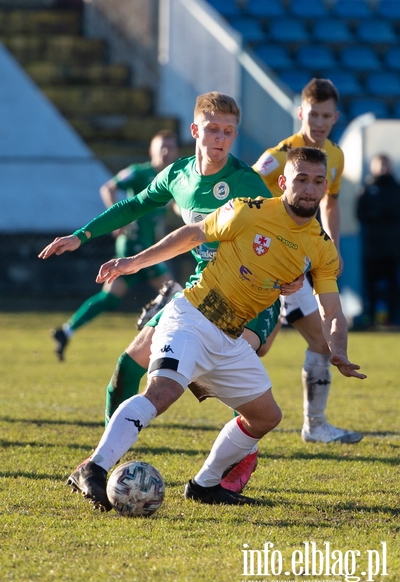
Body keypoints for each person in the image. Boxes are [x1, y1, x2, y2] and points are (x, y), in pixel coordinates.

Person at [63, 147, 366, 511]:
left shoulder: (321, 248)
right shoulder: (248, 210)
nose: (309, 189)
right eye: (301, 179)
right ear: (283, 182)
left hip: (230, 338)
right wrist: (133, 263)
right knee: (162, 391)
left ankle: (204, 485)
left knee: (266, 416)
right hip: (192, 316)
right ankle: (92, 467)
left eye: (318, 182)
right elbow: (191, 235)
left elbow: (331, 309)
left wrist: (339, 348)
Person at [39, 92, 284, 440]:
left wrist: (290, 276)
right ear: (195, 130)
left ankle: (230, 472)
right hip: (200, 290)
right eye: (213, 129)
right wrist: (82, 236)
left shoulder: (245, 181)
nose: (221, 138)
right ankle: (109, 457)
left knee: (238, 390)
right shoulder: (178, 175)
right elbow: (135, 204)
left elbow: (284, 230)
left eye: (229, 132)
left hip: (247, 295)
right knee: (126, 368)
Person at [253, 78, 363, 446]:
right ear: (301, 112)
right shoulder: (281, 152)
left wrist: (332, 246)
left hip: (298, 263)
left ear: (335, 118)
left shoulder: (337, 155)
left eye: (326, 116)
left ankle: (315, 426)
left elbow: (330, 203)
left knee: (320, 343)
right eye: (312, 114)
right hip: (261, 260)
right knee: (259, 345)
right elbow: (247, 183)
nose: (318, 122)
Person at [51, 130, 182, 361]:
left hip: (148, 247)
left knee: (111, 297)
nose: (165, 151)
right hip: (134, 246)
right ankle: (168, 341)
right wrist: (119, 223)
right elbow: (108, 188)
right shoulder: (138, 172)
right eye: (161, 146)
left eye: (170, 147)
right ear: (151, 150)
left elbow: (170, 210)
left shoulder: (172, 178)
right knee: (174, 293)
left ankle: (66, 331)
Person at [355, 154, 400, 327]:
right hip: (372, 247)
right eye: (379, 165)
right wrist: (375, 216)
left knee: (393, 284)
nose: (382, 168)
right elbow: (359, 213)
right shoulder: (367, 189)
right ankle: (370, 317)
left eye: (385, 164)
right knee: (370, 284)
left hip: (393, 247)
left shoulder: (396, 189)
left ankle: (394, 318)